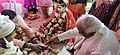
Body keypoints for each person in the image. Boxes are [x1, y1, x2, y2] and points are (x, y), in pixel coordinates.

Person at [49, 14, 120, 55]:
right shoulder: (95, 26)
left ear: (91, 33)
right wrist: (58, 37)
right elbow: (76, 31)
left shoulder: (101, 48)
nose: (78, 33)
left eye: (81, 33)